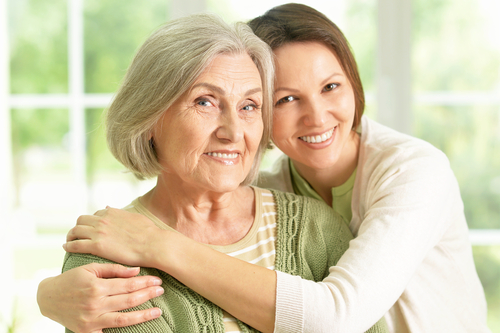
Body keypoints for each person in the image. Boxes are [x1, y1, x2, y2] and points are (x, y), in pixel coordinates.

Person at [37, 3, 490, 333]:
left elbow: (338, 316)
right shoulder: (274, 188)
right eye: (285, 99)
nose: (316, 117)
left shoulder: (410, 174)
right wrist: (47, 296)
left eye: (332, 86)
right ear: (151, 116)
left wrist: (160, 245)